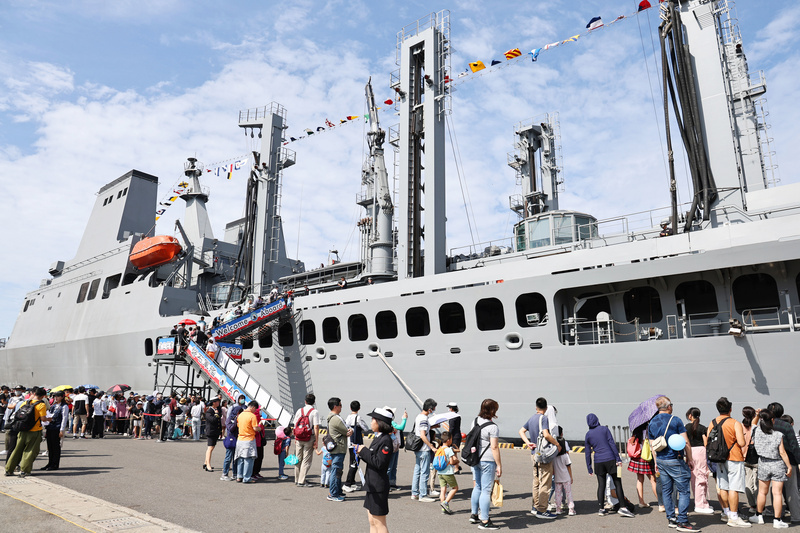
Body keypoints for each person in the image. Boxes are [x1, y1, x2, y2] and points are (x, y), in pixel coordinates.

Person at [649, 396, 698, 532]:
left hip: (661, 460)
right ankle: (682, 521)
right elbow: (686, 442)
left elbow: (652, 445)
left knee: (666, 489)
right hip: (675, 459)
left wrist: (655, 463)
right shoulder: (675, 420)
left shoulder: (652, 423)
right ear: (669, 406)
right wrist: (690, 459)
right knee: (683, 490)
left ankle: (671, 518)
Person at [707, 396, 749, 527]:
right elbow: (742, 443)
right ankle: (734, 517)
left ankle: (726, 513)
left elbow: (708, 440)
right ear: (730, 409)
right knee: (734, 488)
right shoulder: (735, 423)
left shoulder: (712, 422)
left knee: (723, 487)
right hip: (734, 458)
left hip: (718, 459)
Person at [584, 413, 635, 518]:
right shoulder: (604, 430)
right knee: (618, 484)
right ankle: (623, 508)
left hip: (598, 461)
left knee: (601, 485)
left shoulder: (588, 434)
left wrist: (589, 467)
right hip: (610, 459)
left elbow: (588, 453)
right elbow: (611, 443)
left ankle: (601, 509)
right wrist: (618, 458)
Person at [748, 409, 792, 528]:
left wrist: (757, 415)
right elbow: (782, 452)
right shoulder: (778, 434)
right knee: (777, 493)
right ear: (772, 420)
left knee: (762, 492)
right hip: (777, 464)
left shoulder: (756, 431)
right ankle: (777, 520)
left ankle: (759, 516)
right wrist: (789, 467)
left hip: (763, 463)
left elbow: (753, 423)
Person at [519, 397, 561, 519]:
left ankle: (534, 506)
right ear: (546, 408)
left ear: (536, 407)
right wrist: (557, 444)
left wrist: (528, 442)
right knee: (546, 481)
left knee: (536, 480)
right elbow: (546, 434)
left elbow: (521, 431)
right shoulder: (544, 418)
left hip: (533, 453)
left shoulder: (532, 418)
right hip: (543, 454)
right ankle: (542, 510)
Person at [354, 407, 394, 533]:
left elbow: (379, 462)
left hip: (379, 486)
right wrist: (361, 451)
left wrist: (363, 450)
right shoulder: (378, 438)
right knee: (372, 520)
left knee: (379, 523)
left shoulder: (386, 440)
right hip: (372, 484)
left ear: (380, 422)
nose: (371, 422)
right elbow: (373, 458)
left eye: (373, 419)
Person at [468, 398, 502, 530]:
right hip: (488, 460)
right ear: (492, 410)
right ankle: (485, 520)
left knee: (477, 487)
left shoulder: (475, 421)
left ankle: (474, 514)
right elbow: (494, 447)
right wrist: (499, 465)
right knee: (486, 491)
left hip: (475, 458)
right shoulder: (493, 427)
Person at [766, 402, 800, 524]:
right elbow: (793, 445)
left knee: (774, 489)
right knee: (792, 489)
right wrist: (798, 460)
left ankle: (778, 514)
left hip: (770, 461)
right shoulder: (786, 426)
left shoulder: (765, 425)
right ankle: (796, 516)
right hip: (788, 461)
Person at [4, 387, 49, 477]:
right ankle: (24, 470)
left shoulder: (25, 402)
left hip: (22, 430)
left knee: (17, 450)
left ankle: (9, 469)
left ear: (34, 394)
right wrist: (49, 419)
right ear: (43, 396)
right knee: (30, 451)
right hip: (34, 431)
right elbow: (43, 419)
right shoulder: (41, 405)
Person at [685, 407, 713, 514]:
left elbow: (686, 442)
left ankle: (699, 502)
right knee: (702, 477)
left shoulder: (686, 427)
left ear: (690, 416)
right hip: (701, 452)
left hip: (690, 451)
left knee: (694, 478)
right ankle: (700, 504)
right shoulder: (702, 428)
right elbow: (706, 443)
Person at [411, 398, 438, 502]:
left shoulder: (419, 417)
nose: (434, 411)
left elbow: (421, 431)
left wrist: (432, 427)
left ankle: (414, 493)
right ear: (430, 409)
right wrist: (431, 446)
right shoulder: (424, 419)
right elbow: (423, 435)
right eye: (434, 409)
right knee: (424, 472)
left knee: (417, 470)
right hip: (424, 449)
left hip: (418, 449)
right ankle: (423, 495)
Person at [326, 397, 352, 501]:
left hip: (336, 447)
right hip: (339, 448)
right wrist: (350, 432)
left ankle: (337, 491)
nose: (341, 407)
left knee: (337, 470)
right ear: (335, 406)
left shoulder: (331, 417)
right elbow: (347, 430)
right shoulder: (336, 419)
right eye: (340, 405)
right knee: (336, 470)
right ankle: (333, 494)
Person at [627, 425, 659, 508]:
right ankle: (661, 502)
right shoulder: (647, 429)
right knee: (653, 480)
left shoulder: (636, 430)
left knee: (640, 479)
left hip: (637, 457)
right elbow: (648, 443)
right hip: (645, 456)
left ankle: (641, 502)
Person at [292, 393, 320, 487]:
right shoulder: (314, 412)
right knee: (306, 459)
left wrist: (295, 437)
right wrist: (316, 440)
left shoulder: (300, 410)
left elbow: (295, 424)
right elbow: (316, 427)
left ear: (305, 401)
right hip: (309, 437)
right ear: (314, 402)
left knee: (298, 459)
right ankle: (301, 481)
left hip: (299, 437)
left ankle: (297, 479)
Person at [344, 400, 371, 492]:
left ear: (350, 408)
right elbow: (366, 428)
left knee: (352, 463)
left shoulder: (347, 417)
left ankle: (352, 482)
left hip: (350, 443)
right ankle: (347, 484)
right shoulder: (358, 418)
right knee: (354, 464)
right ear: (359, 408)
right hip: (357, 444)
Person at [235, 400, 263, 483]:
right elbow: (255, 428)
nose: (255, 411)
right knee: (249, 459)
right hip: (249, 439)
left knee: (240, 459)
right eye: (255, 409)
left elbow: (238, 425)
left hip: (240, 439)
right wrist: (260, 427)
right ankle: (246, 477)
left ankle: (239, 476)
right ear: (253, 407)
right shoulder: (252, 416)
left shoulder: (240, 415)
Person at [41, 391, 69, 471]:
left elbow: (64, 418)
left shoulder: (64, 406)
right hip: (50, 427)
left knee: (55, 446)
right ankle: (50, 463)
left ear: (62, 397)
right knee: (50, 446)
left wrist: (62, 430)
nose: (55, 398)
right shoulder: (53, 406)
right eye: (54, 396)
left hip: (57, 428)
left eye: (58, 396)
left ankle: (55, 464)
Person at [437, 431, 459, 515]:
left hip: (440, 472)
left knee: (443, 490)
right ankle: (445, 503)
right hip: (448, 472)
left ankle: (444, 509)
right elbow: (452, 462)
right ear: (449, 440)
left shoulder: (439, 449)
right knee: (455, 488)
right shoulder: (449, 450)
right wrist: (457, 460)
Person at [741, 406, 759, 513]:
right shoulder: (755, 427)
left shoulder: (741, 426)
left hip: (744, 457)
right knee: (757, 484)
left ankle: (752, 506)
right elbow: (754, 423)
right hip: (756, 458)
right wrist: (757, 415)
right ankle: (759, 506)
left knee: (748, 483)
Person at [386, 407, 407, 490]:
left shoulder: (391, 423)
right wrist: (404, 418)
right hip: (392, 447)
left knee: (393, 466)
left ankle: (392, 483)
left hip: (395, 447)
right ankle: (387, 484)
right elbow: (401, 427)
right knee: (390, 467)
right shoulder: (391, 423)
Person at [204, 397, 222, 472]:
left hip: (215, 431)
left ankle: (205, 462)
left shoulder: (216, 410)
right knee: (210, 448)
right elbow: (213, 420)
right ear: (214, 402)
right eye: (217, 401)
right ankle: (208, 465)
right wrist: (217, 414)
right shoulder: (209, 411)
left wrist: (220, 431)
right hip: (211, 431)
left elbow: (219, 422)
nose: (218, 403)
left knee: (212, 447)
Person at [446, 402, 463, 474]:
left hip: (454, 437)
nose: (449, 409)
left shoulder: (452, 417)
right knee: (454, 452)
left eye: (449, 408)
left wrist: (448, 436)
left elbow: (451, 428)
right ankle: (457, 465)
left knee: (453, 453)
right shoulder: (458, 416)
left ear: (451, 408)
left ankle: (456, 468)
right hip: (458, 435)